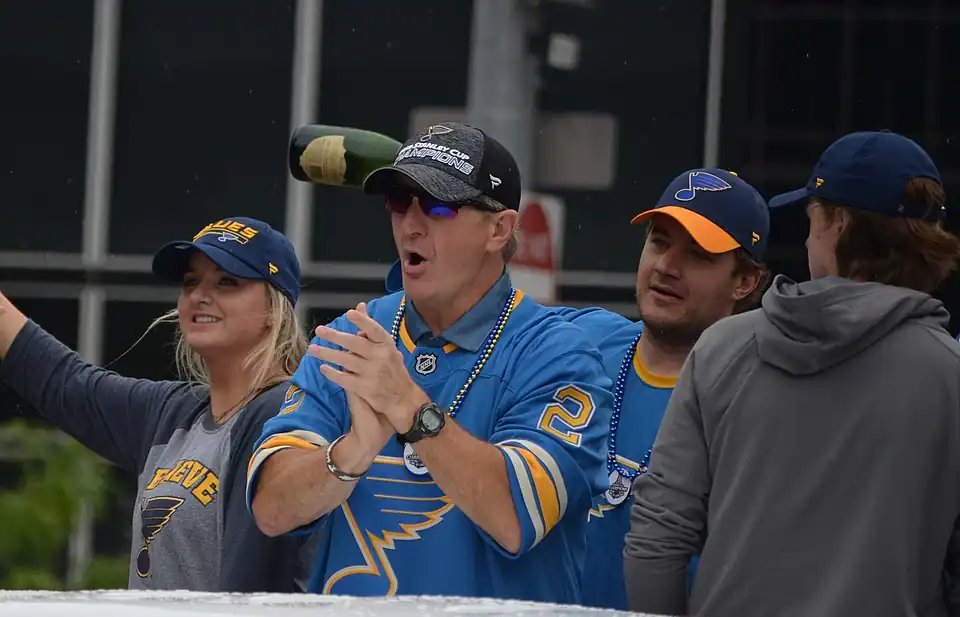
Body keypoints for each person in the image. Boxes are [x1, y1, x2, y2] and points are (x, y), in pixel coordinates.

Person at [246, 122, 614, 604]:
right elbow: (272, 510)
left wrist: (412, 411)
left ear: (499, 229)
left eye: (439, 206)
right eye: (400, 202)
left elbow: (514, 518)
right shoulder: (353, 334)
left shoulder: (558, 353)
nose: (412, 225)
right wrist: (353, 451)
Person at [623, 130, 960, 617]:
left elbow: (657, 537)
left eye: (810, 219)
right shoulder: (948, 375)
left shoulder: (724, 347)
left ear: (837, 224)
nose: (805, 237)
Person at [0, 216, 309, 592]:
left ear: (273, 309)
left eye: (228, 281)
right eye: (190, 282)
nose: (199, 295)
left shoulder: (284, 412)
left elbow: (252, 589)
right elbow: (65, 382)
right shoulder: (175, 412)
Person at [549, 168, 770, 610]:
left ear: (745, 282)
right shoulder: (577, 341)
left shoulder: (758, 396)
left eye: (699, 255)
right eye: (659, 241)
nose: (667, 267)